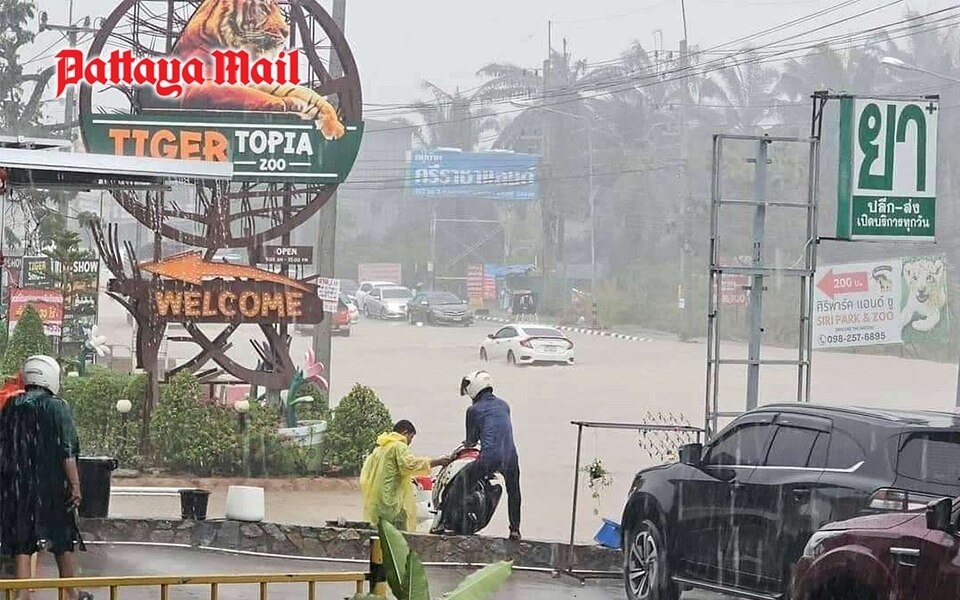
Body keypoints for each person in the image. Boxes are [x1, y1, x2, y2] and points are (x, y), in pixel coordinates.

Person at [0, 355, 88, 600]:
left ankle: (21, 595)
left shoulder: (11, 406)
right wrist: (76, 485)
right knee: (63, 538)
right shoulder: (57, 407)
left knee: (22, 539)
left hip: (18, 485)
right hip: (51, 487)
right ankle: (71, 593)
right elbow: (67, 450)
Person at [450, 370, 522, 540]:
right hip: (511, 456)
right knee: (514, 491)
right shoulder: (504, 405)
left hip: (490, 457)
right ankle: (515, 529)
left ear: (474, 389)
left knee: (461, 482)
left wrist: (457, 451)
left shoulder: (473, 410)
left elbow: (471, 441)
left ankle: (445, 523)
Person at [359, 420, 450, 531]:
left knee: (379, 532)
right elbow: (409, 465)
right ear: (405, 433)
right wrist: (437, 461)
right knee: (397, 532)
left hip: (375, 499)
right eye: (411, 437)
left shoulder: (380, 448)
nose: (410, 441)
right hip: (390, 500)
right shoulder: (398, 446)